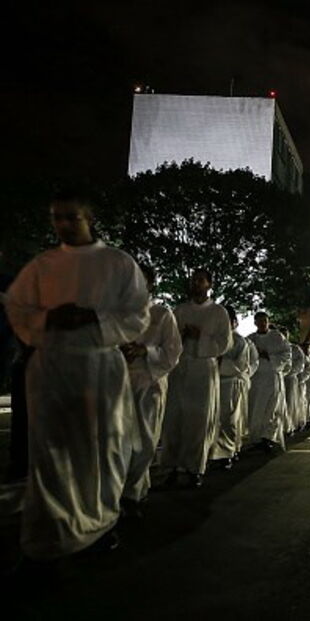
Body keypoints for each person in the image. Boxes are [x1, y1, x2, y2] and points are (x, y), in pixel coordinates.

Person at [5, 189, 150, 558]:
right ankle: (52, 531)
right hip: (52, 366)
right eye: (57, 217)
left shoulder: (118, 263)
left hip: (99, 368)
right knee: (52, 450)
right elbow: (18, 309)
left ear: (89, 218)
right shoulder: (42, 265)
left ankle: (100, 525)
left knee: (100, 448)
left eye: (72, 217)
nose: (64, 225)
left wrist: (93, 317)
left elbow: (137, 315)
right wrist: (50, 317)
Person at [161, 270, 233, 487]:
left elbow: (225, 343)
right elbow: (168, 338)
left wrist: (200, 337)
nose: (196, 283)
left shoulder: (219, 312)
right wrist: (182, 336)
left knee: (199, 420)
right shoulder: (179, 310)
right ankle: (171, 467)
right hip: (180, 368)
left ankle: (195, 469)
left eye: (201, 280)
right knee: (174, 418)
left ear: (209, 284)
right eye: (194, 280)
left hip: (204, 369)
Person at [120, 264, 182, 512]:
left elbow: (173, 351)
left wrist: (146, 351)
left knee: (144, 440)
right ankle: (124, 491)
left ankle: (133, 492)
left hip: (150, 381)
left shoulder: (162, 314)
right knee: (120, 439)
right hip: (120, 382)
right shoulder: (117, 315)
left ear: (150, 285)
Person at [210, 306, 258, 470]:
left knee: (229, 419)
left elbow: (241, 365)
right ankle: (216, 451)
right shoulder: (214, 339)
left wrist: (220, 362)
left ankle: (227, 452)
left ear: (233, 323)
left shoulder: (239, 342)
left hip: (231, 383)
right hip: (213, 383)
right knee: (214, 419)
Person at [247, 313, 291, 451]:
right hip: (255, 379)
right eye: (259, 321)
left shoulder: (277, 337)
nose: (262, 324)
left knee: (270, 408)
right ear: (255, 323)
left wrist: (269, 357)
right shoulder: (250, 339)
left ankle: (268, 437)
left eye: (264, 321)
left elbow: (286, 354)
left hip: (271, 377)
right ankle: (256, 438)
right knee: (255, 409)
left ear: (268, 322)